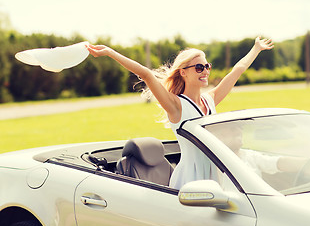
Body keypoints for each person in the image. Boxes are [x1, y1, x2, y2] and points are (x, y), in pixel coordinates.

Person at [86, 36, 274, 189]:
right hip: (188, 179)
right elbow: (146, 74)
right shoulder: (175, 105)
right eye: (199, 67)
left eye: (207, 66)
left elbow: (237, 70)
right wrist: (110, 53)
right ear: (183, 73)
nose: (205, 71)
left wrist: (256, 48)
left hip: (214, 176)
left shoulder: (210, 100)